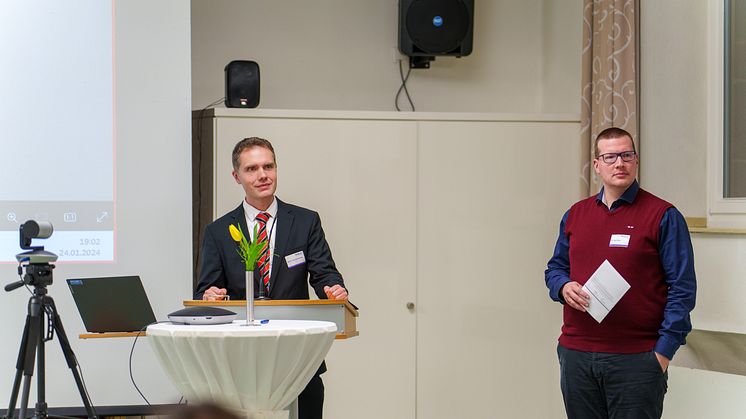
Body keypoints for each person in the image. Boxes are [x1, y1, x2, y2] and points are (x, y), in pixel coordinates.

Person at [544, 127, 696, 419]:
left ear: (636, 161)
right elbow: (555, 268)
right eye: (611, 156)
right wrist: (563, 286)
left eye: (627, 155)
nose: (620, 163)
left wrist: (661, 355)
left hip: (637, 359)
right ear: (597, 164)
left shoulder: (663, 215)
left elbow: (682, 289)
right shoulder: (575, 214)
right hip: (576, 355)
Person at [195, 137, 348, 419]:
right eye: (252, 169)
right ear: (236, 176)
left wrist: (333, 288)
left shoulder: (305, 221)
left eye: (269, 166)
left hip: (299, 355)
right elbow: (206, 288)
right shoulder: (219, 231)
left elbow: (324, 272)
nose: (263, 175)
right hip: (243, 358)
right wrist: (209, 295)